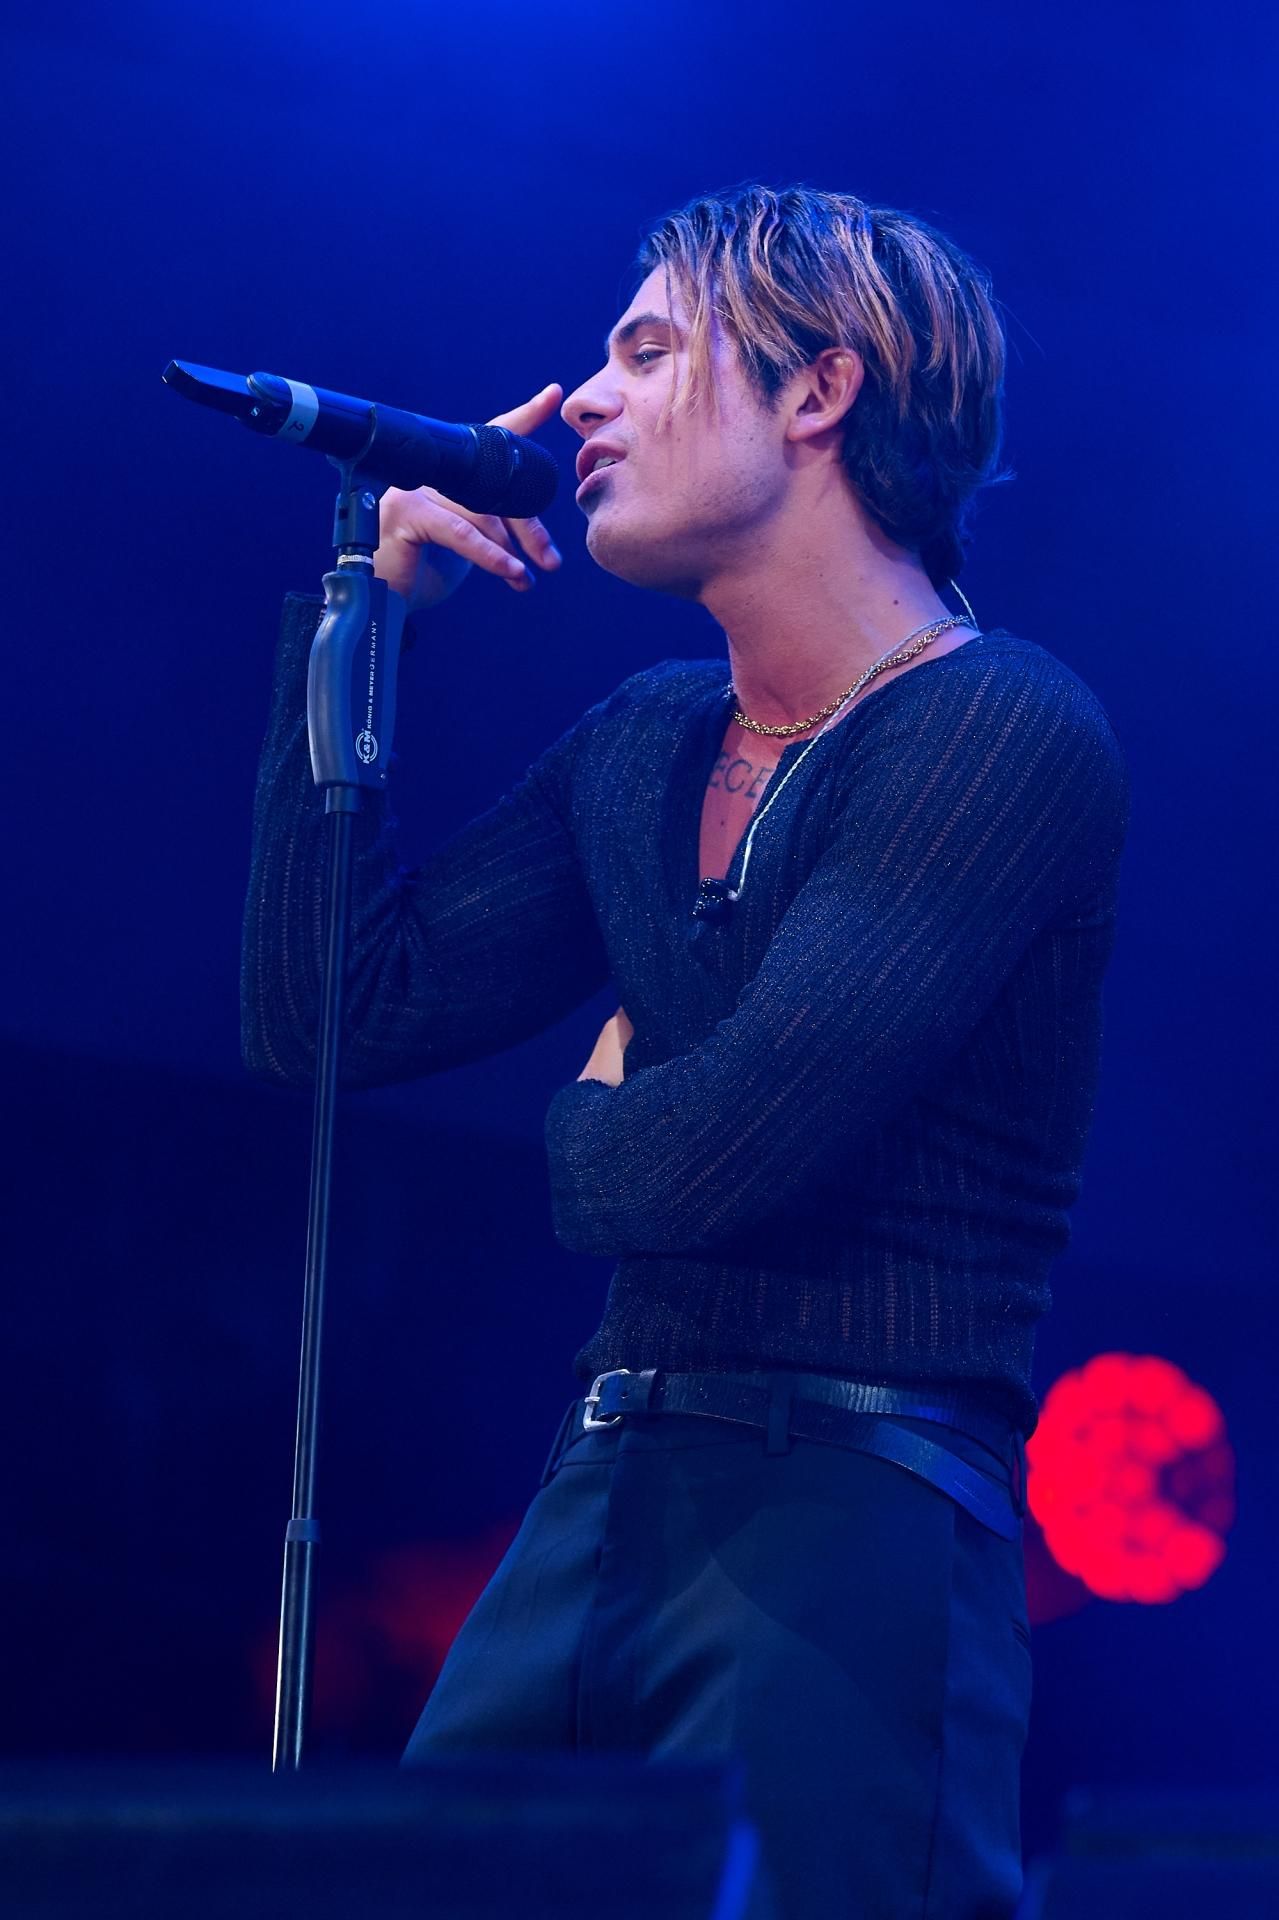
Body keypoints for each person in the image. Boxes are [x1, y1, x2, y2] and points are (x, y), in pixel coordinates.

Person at [242, 184, 1129, 1918]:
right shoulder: (646, 740)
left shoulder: (1000, 727)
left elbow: (699, 1168)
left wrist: (597, 1116)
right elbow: (321, 1018)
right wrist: (362, 619)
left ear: (822, 392)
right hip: (600, 1488)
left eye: (647, 351)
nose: (583, 397)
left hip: (854, 1510)